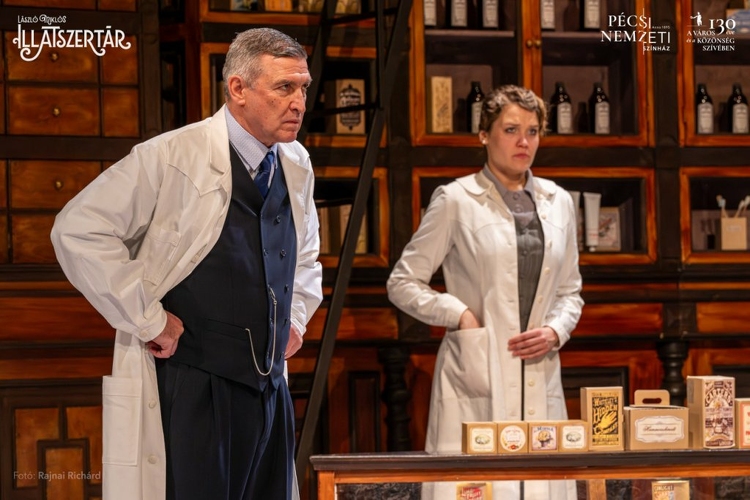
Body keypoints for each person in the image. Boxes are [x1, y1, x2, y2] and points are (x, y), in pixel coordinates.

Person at [50, 28, 323, 500]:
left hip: (269, 388)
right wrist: (148, 319)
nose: (299, 102)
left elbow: (306, 253)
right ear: (238, 88)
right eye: (284, 87)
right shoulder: (171, 156)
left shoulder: (295, 161)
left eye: (303, 87)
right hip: (195, 384)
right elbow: (77, 229)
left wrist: (296, 317)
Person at [387, 85, 583, 500]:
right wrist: (459, 315)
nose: (523, 141)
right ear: (483, 135)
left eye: (532, 131)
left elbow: (570, 291)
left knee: (541, 483)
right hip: (478, 369)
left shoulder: (560, 202)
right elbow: (402, 282)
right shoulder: (456, 200)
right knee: (479, 484)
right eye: (511, 130)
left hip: (539, 370)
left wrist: (555, 330)